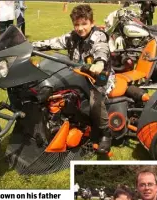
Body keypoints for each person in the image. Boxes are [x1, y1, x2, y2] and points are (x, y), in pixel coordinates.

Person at [32, 4, 114, 154]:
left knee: (95, 101)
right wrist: (32, 47)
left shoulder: (98, 36)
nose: (80, 28)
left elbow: (101, 49)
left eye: (84, 24)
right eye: (77, 24)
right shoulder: (72, 37)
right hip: (78, 74)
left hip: (100, 76)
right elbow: (53, 42)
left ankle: (104, 133)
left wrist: (100, 62)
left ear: (92, 22)